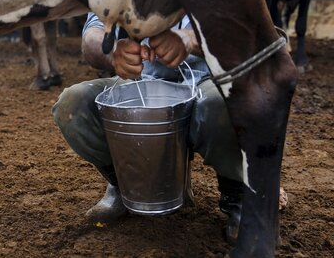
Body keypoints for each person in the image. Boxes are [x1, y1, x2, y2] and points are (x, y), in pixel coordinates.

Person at [52, 13, 245, 243]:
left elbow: (246, 34)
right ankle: (123, 185)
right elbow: (92, 35)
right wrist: (112, 53)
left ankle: (238, 197)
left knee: (222, 104)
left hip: (208, 78)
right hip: (143, 81)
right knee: (73, 104)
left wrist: (190, 40)